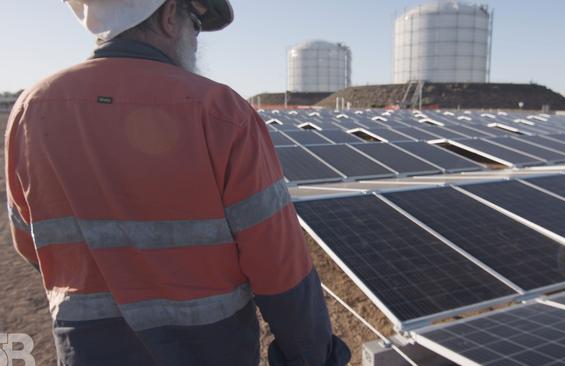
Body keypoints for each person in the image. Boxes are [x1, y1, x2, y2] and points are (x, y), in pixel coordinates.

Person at [5, 0, 351, 365]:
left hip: (87, 351)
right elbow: (279, 266)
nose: (197, 41)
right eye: (197, 25)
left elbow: (30, 243)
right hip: (211, 351)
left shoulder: (32, 109)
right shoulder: (219, 111)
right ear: (170, 15)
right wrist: (312, 356)